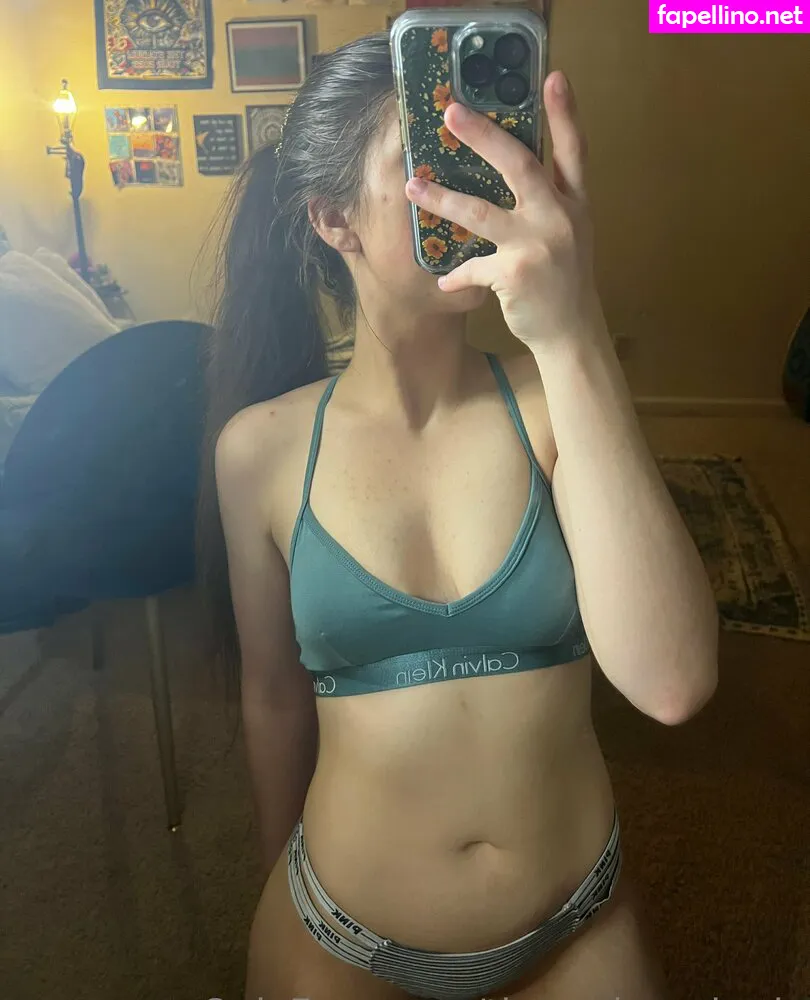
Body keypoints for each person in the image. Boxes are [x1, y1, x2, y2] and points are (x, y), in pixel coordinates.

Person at [199, 31, 719, 1000]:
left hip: (576, 924)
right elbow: (271, 694)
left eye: (484, 151)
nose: (473, 188)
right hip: (340, 938)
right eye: (431, 161)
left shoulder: (558, 395)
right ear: (334, 219)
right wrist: (277, 877)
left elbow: (675, 683)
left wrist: (574, 328)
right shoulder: (258, 452)